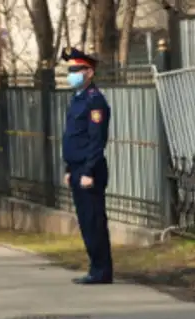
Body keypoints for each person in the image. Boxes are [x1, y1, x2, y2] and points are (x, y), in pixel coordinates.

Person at [60, 47, 114, 285]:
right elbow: (73, 137)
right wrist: (69, 169)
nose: (71, 74)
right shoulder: (78, 99)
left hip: (89, 170)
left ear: (89, 72)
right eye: (69, 70)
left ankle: (102, 270)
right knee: (85, 222)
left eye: (76, 69)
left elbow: (96, 139)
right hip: (77, 169)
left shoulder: (95, 102)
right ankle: (95, 267)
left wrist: (89, 171)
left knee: (94, 221)